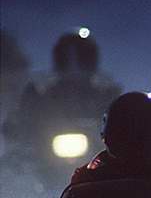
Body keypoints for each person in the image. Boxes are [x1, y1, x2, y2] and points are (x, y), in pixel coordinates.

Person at [2, 28, 121, 163]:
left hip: (96, 156)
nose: (74, 67)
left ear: (92, 60)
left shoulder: (107, 93)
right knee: (15, 164)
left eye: (83, 58)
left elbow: (122, 122)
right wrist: (18, 130)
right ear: (59, 60)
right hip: (44, 156)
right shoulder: (40, 92)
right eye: (66, 59)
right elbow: (20, 120)